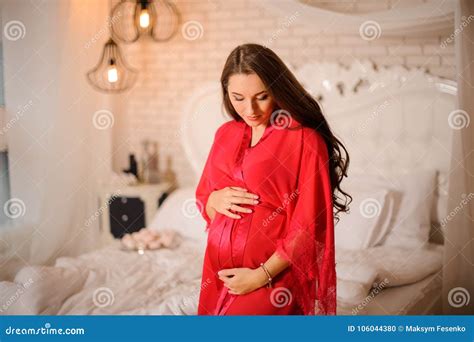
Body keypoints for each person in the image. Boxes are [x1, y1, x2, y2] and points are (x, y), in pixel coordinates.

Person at [195, 43, 351, 315]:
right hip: (217, 276)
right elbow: (204, 203)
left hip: (272, 280)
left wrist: (259, 276)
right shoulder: (225, 134)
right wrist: (215, 199)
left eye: (261, 96)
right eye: (238, 97)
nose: (250, 109)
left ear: (277, 91)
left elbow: (307, 227)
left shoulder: (304, 139)